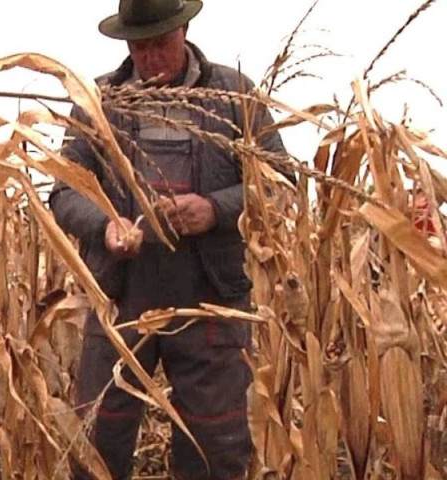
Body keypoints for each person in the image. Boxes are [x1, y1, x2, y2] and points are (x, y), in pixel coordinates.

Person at [48, 1, 288, 479]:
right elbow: (63, 190)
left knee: (214, 447)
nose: (151, 57)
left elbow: (279, 182)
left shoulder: (234, 95)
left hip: (209, 296)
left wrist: (214, 209)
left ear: (185, 29)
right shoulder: (98, 101)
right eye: (140, 47)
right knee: (98, 442)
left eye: (161, 43)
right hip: (119, 295)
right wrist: (107, 225)